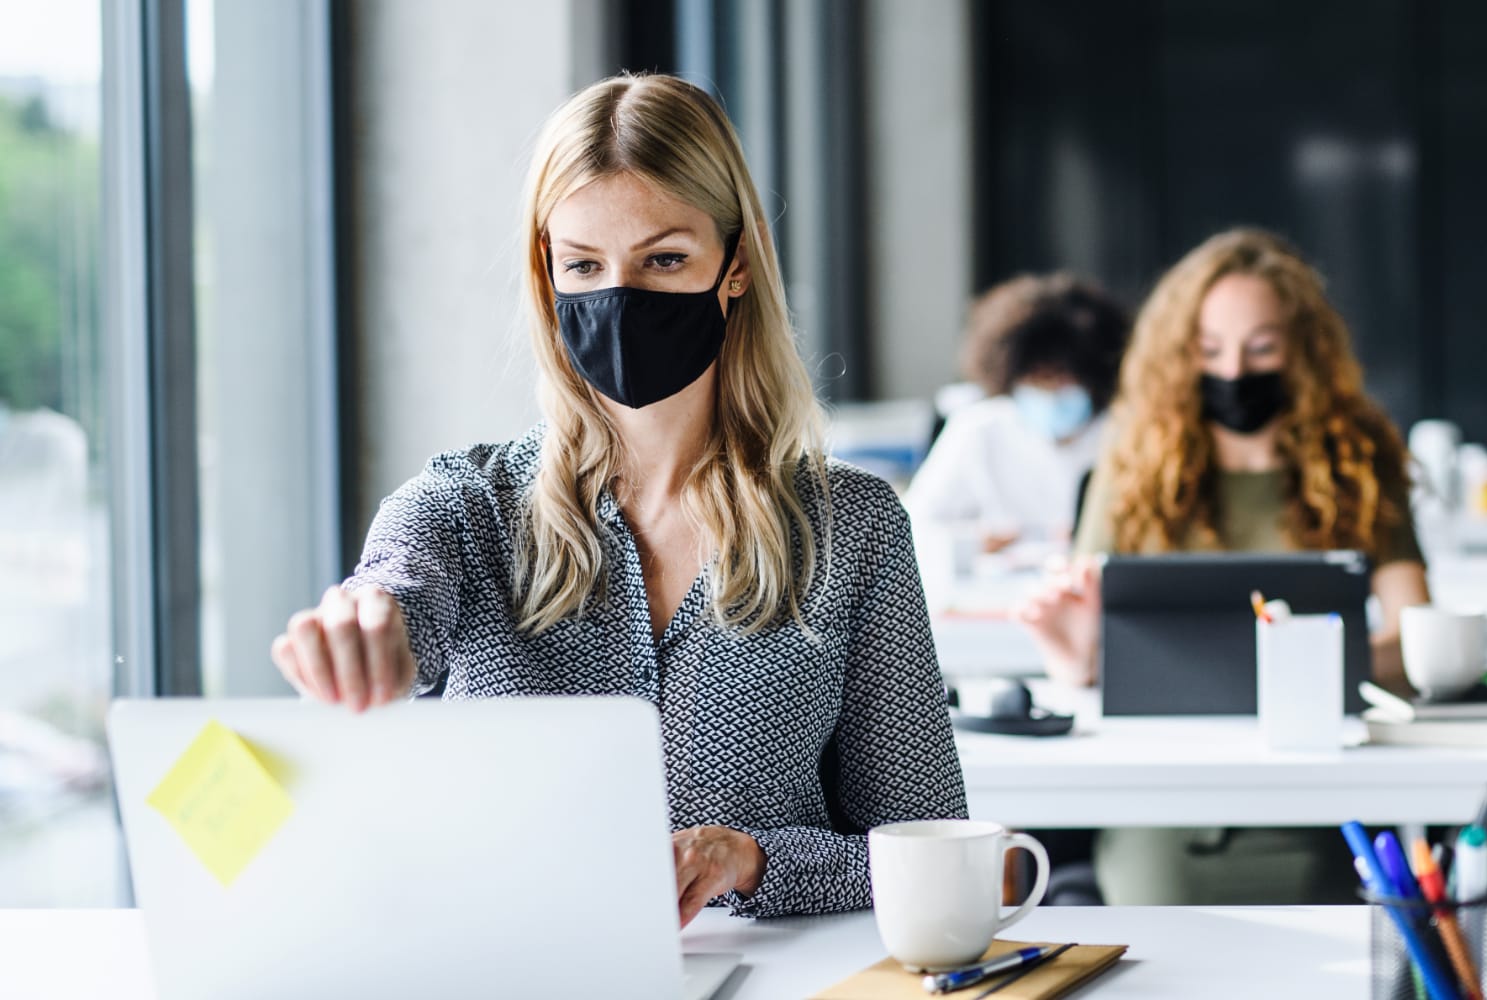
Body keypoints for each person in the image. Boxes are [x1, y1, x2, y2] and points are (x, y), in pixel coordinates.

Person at [267, 74, 966, 926]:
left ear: (735, 266)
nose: (622, 297)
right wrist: (361, 623)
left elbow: (930, 848)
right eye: (584, 265)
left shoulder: (851, 528)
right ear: (548, 275)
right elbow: (397, 590)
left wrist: (753, 861)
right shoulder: (463, 507)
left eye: (665, 259)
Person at [1016, 227, 1430, 905]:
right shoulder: (1132, 470)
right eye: (1210, 351)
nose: (1235, 372)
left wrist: (1311, 663)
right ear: (1180, 357)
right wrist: (1074, 661)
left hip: (1318, 804)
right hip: (1167, 807)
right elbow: (1092, 650)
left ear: (1304, 351)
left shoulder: (1361, 463)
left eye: (1261, 347)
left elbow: (1419, 639)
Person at [905, 274, 1129, 553]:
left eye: (1062, 380)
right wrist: (977, 539)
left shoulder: (1127, 433)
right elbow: (913, 523)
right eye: (1037, 381)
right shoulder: (979, 429)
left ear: (1093, 377)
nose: (1051, 394)